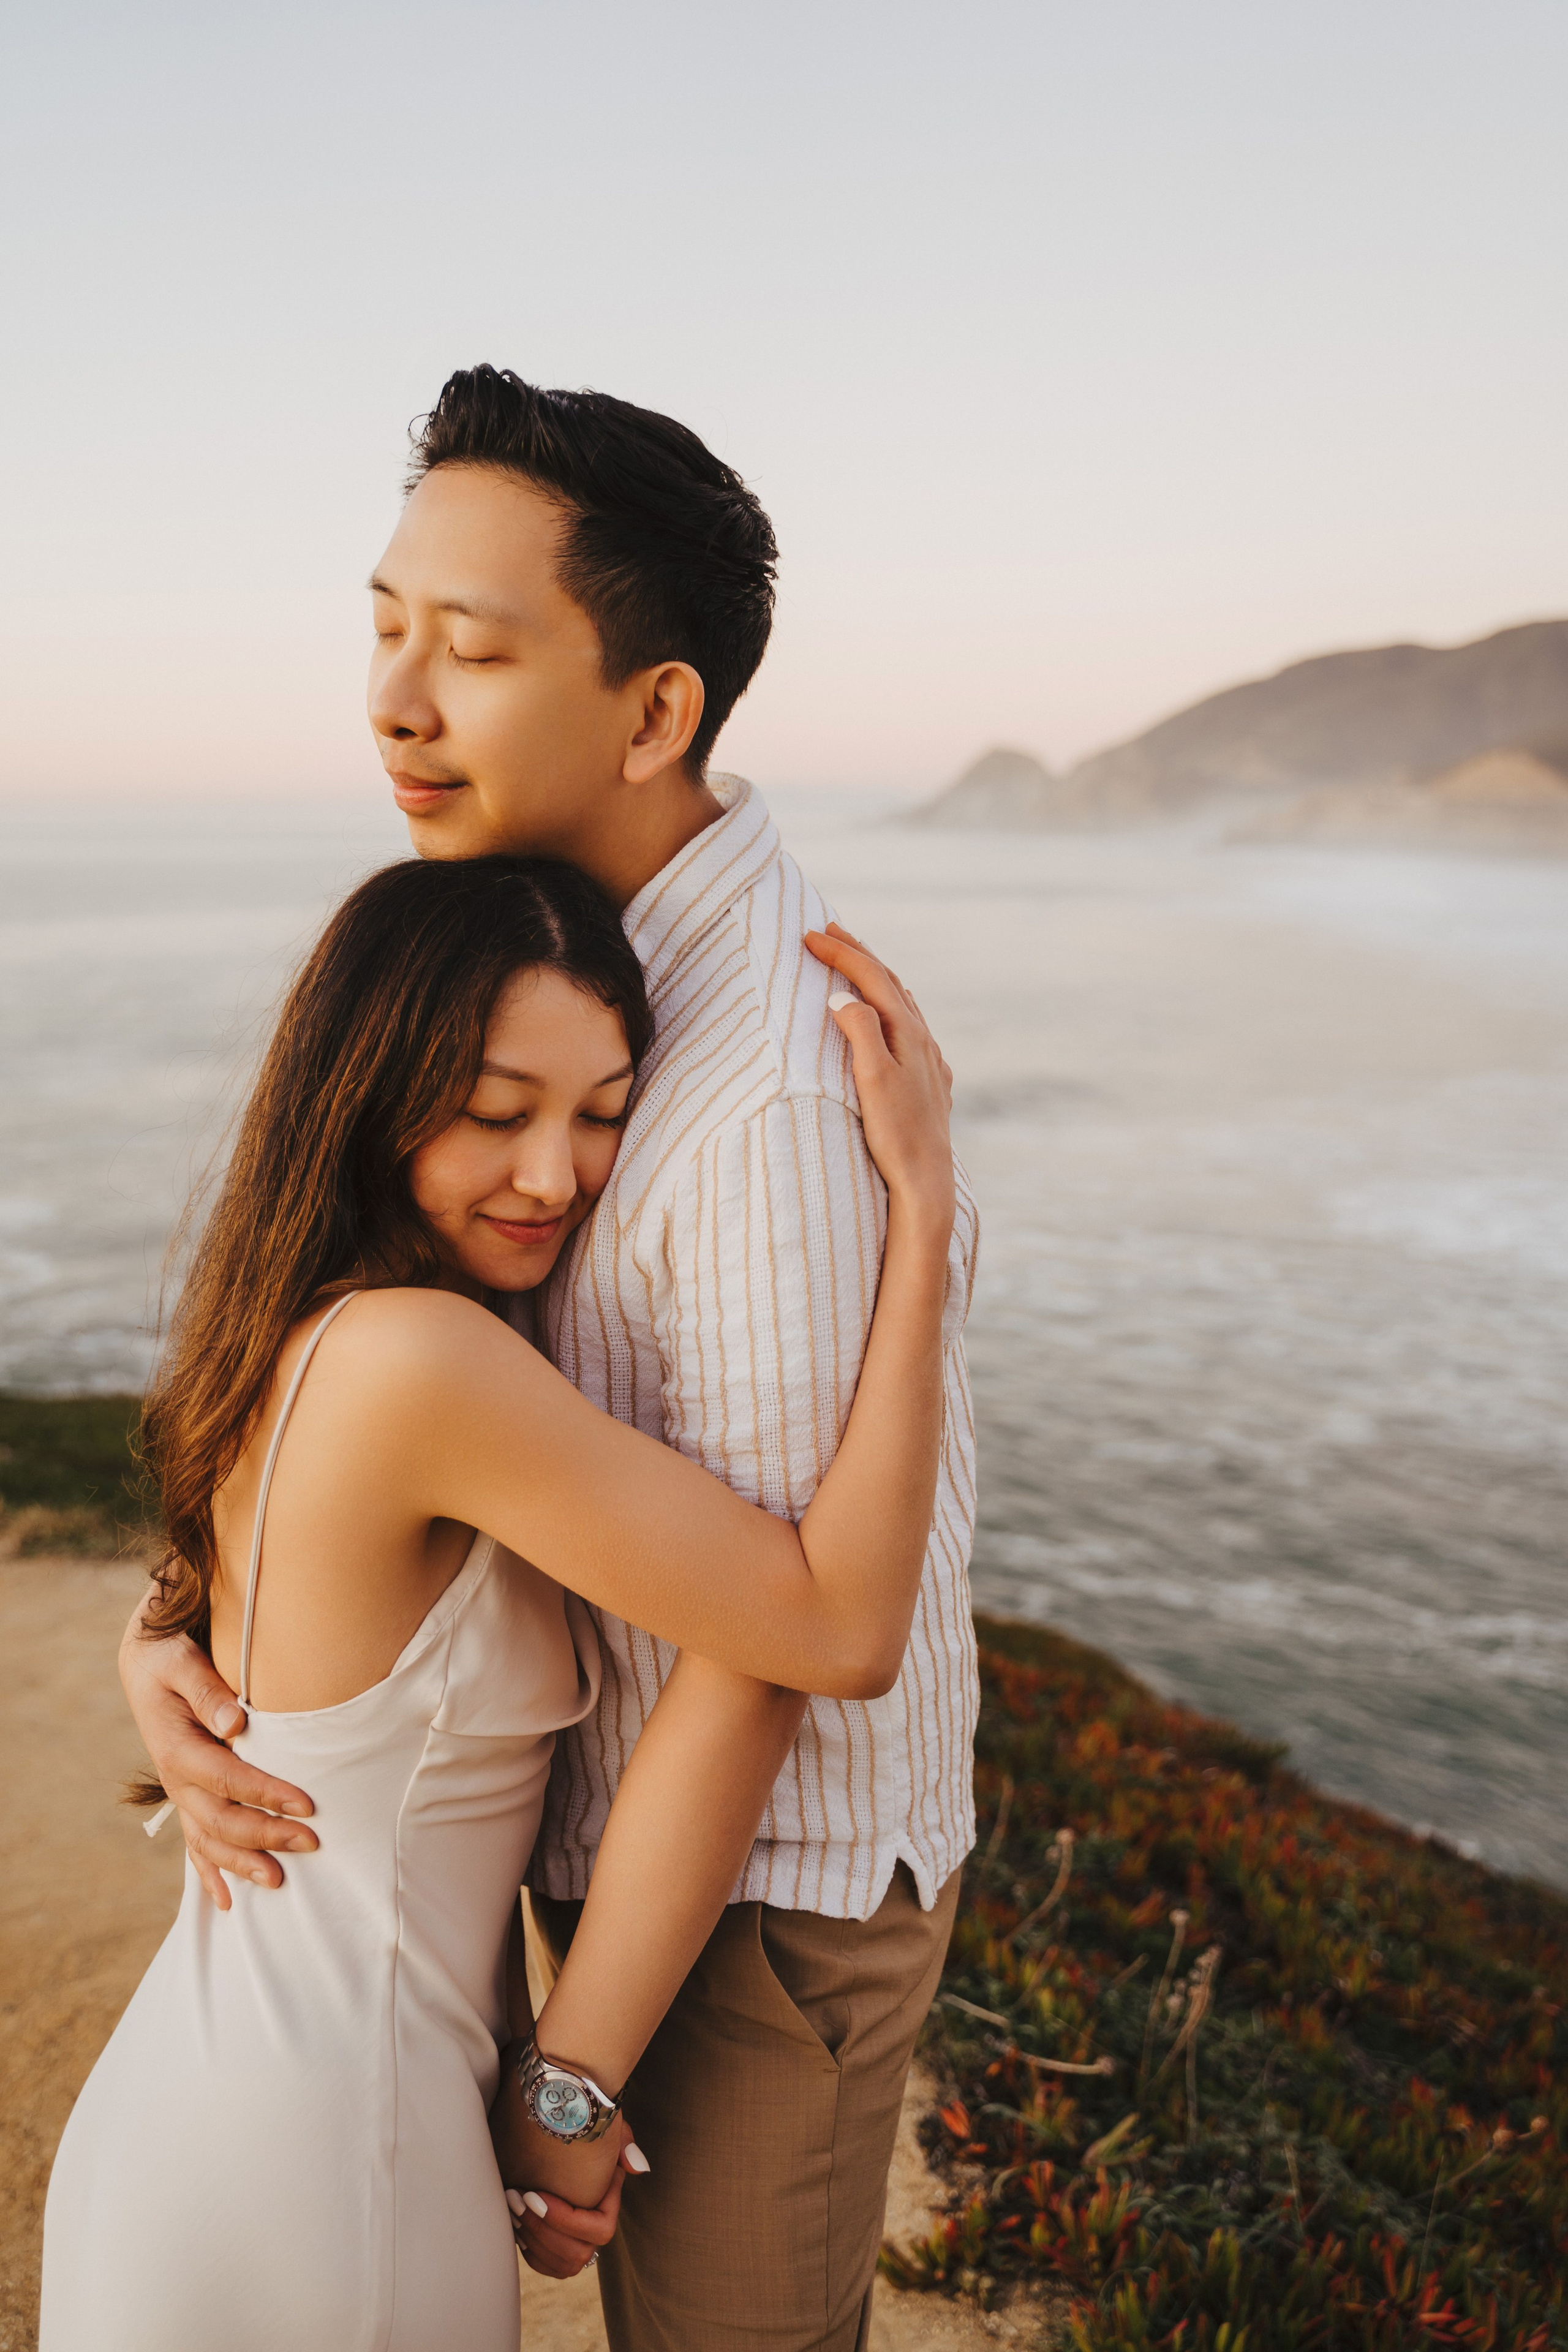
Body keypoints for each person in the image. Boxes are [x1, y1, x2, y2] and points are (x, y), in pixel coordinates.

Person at [119, 366, 981, 2349]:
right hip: (577, 1881)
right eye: (386, 629)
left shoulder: (761, 1090)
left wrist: (575, 2074)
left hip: (753, 1907)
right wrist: (177, 1640)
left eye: (472, 650)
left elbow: (785, 1631)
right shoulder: (561, 980)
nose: (395, 702)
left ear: (653, 708)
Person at [42, 853, 955, 2351]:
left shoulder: (295, 1330)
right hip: (333, 2167)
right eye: (494, 1111)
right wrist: (917, 1222)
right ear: (370, 1093)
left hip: (216, 2115)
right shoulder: (425, 1365)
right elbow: (830, 1632)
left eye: (602, 1116)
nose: (554, 1175)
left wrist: (152, 1637)